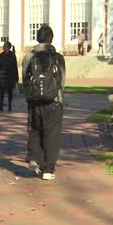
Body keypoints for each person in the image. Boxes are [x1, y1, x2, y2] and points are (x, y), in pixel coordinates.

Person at [22, 25, 65, 181]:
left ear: (37, 38)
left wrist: (31, 95)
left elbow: (25, 80)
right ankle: (48, 169)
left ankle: (35, 161)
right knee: (52, 135)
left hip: (34, 102)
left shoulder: (29, 57)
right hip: (53, 101)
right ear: (50, 39)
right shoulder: (58, 57)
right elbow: (62, 81)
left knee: (35, 131)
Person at [0, 41, 19, 111]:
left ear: (8, 47)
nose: (4, 47)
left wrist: (16, 77)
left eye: (5, 46)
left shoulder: (12, 55)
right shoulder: (1, 55)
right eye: (4, 46)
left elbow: (15, 67)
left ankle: (9, 106)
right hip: (2, 76)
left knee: (9, 92)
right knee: (1, 92)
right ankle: (1, 105)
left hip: (10, 76)